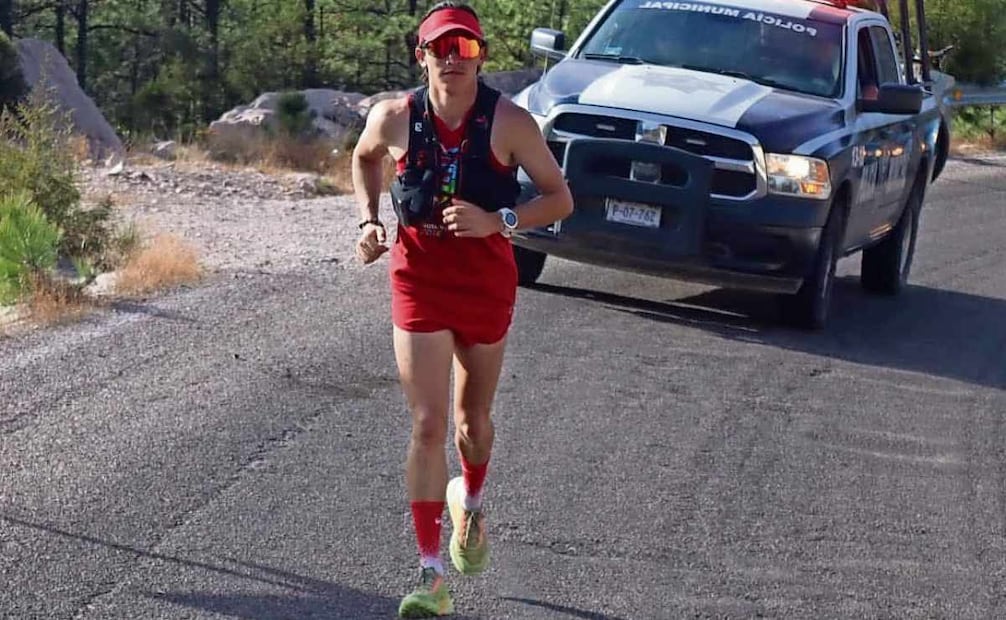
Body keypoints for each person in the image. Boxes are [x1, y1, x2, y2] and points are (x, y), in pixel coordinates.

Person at [351, 2, 573, 617]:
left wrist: (497, 219)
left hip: (484, 285)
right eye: (441, 49)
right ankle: (429, 574)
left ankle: (470, 504)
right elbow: (365, 157)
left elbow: (559, 199)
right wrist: (370, 220)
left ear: (481, 58)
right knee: (426, 424)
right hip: (419, 279)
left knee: (471, 424)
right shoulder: (394, 117)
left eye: (466, 49)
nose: (454, 60)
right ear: (421, 56)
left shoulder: (510, 124)